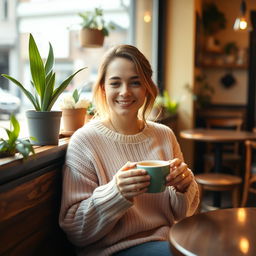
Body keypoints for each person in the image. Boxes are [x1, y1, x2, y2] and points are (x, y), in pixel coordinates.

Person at [59, 45, 199, 256]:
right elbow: (77, 231)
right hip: (111, 250)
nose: (125, 92)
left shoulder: (164, 135)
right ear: (104, 89)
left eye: (135, 82)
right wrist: (116, 193)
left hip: (167, 240)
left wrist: (184, 186)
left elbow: (184, 212)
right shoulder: (85, 141)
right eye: (116, 83)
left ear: (146, 88)